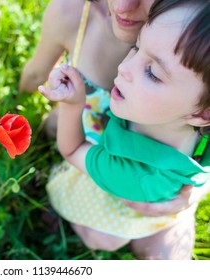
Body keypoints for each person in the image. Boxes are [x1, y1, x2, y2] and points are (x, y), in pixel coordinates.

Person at [38, 0, 210, 259]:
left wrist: (73, 105)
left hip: (129, 189)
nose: (124, 66)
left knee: (107, 239)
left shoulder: (133, 172)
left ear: (203, 114)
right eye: (136, 47)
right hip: (146, 189)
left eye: (152, 73)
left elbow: (73, 149)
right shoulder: (194, 106)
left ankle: (69, 218)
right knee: (118, 241)